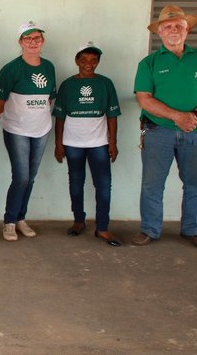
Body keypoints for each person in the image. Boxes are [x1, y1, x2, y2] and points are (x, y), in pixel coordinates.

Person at [133, 5, 197, 249]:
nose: (174, 30)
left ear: (187, 30)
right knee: (152, 184)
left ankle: (192, 229)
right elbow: (144, 98)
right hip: (158, 131)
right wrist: (176, 117)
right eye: (168, 26)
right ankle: (150, 229)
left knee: (195, 183)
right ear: (159, 32)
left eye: (179, 26)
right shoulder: (149, 63)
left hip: (196, 131)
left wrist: (194, 115)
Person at [54, 41, 122, 246]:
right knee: (76, 183)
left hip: (99, 143)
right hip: (72, 143)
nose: (88, 64)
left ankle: (102, 227)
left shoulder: (106, 83)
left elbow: (112, 116)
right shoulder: (67, 85)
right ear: (77, 61)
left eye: (93, 60)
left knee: (103, 185)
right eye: (84, 60)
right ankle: (78, 221)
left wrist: (113, 143)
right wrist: (59, 144)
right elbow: (59, 118)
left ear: (98, 62)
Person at [0, 21, 56, 242]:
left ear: (43, 41)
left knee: (30, 177)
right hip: (16, 130)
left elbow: (49, 97)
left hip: (41, 130)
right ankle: (9, 221)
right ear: (20, 42)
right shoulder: (11, 69)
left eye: (37, 38)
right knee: (21, 176)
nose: (33, 42)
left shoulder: (48, 67)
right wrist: (12, 120)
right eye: (28, 39)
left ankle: (21, 218)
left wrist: (37, 118)